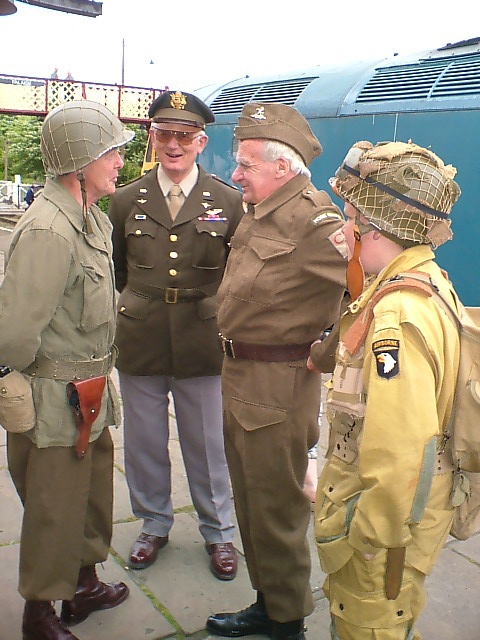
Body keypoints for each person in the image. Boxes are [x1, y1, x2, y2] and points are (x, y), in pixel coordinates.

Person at [206, 102, 348, 640]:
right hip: (242, 378)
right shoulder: (262, 211)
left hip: (278, 387)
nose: (235, 173)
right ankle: (268, 604)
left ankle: (286, 621)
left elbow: (368, 298)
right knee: (251, 500)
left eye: (245, 165)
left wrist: (324, 355)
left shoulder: (316, 221)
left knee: (277, 509)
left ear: (282, 169)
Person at [312, 140, 462, 640]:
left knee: (368, 625)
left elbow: (401, 449)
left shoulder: (397, 313)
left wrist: (369, 540)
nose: (345, 227)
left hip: (381, 531)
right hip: (394, 518)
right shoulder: (425, 278)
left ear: (374, 230)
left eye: (351, 216)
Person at [0, 99, 134, 640]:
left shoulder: (90, 219)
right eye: (112, 152)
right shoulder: (49, 230)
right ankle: (40, 614)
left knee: (92, 498)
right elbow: (13, 334)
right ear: (81, 162)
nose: (121, 161)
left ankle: (83, 585)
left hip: (91, 392)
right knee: (54, 508)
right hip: (56, 399)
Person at [108, 90, 245, 580]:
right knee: (143, 441)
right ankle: (154, 523)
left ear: (201, 142)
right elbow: (118, 270)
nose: (173, 145)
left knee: (208, 444)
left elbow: (237, 274)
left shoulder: (228, 202)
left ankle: (219, 532)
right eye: (165, 134)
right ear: (152, 137)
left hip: (202, 337)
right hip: (142, 335)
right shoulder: (126, 199)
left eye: (184, 136)